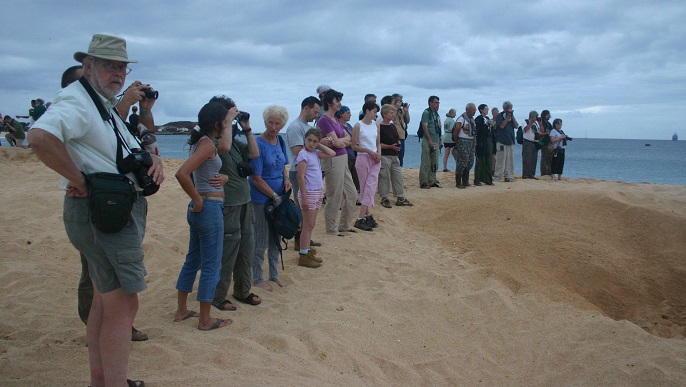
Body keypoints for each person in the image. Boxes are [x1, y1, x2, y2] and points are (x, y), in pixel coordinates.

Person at [27, 33, 163, 386]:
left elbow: (118, 146)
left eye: (121, 67)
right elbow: (39, 137)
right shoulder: (76, 100)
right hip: (103, 213)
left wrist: (151, 161)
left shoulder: (98, 101)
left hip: (108, 212)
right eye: (109, 65)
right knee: (123, 306)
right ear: (88, 66)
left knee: (105, 304)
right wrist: (81, 180)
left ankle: (101, 380)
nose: (117, 73)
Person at [59, 63, 149, 342]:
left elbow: (127, 141)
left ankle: (105, 329)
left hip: (121, 201)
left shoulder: (104, 111)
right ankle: (100, 328)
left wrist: (143, 109)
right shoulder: (78, 111)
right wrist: (80, 180)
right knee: (101, 278)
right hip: (99, 203)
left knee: (105, 280)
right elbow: (43, 138)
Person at [174, 102, 232, 331]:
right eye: (226, 121)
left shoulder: (201, 141)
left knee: (193, 260)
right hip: (208, 207)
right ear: (217, 123)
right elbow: (182, 173)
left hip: (201, 208)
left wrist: (224, 179)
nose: (228, 125)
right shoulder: (207, 145)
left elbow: (203, 172)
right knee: (211, 265)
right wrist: (198, 199)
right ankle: (205, 320)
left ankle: (181, 310)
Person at [208, 96, 262, 312]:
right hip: (227, 204)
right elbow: (223, 147)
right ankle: (218, 296)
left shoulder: (233, 141)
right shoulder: (212, 141)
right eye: (228, 115)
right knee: (227, 253)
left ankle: (242, 290)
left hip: (244, 201)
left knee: (245, 250)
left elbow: (254, 153)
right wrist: (228, 120)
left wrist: (247, 129)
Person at [250, 105, 291, 292]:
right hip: (261, 198)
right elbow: (256, 178)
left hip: (279, 196)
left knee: (276, 236)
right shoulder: (258, 144)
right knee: (260, 238)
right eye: (270, 122)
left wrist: (286, 178)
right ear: (265, 122)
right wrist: (274, 196)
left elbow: (283, 164)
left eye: (277, 123)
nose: (273, 127)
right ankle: (257, 278)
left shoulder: (280, 141)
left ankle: (274, 275)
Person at [285, 96, 327, 251]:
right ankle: (300, 243)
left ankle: (305, 240)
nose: (317, 115)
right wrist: (318, 146)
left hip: (310, 177)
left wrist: (319, 146)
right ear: (306, 108)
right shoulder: (296, 127)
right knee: (302, 210)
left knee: (308, 217)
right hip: (300, 173)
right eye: (315, 112)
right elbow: (298, 152)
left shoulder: (305, 126)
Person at [317, 89, 358, 235]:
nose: (340, 103)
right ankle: (331, 228)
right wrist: (339, 142)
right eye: (337, 100)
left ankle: (344, 225)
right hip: (332, 160)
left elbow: (349, 139)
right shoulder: (325, 120)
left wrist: (338, 142)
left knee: (352, 193)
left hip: (343, 158)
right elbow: (340, 143)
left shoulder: (335, 120)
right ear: (329, 103)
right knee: (335, 194)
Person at [295, 128, 336, 267]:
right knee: (307, 225)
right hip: (309, 192)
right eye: (309, 140)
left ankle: (306, 251)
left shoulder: (315, 153)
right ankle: (303, 255)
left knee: (311, 224)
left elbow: (332, 153)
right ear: (305, 140)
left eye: (314, 141)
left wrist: (319, 145)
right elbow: (300, 176)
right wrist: (304, 198)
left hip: (318, 191)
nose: (311, 143)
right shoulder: (303, 154)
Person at [352, 101, 382, 231]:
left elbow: (378, 143)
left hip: (375, 159)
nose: (376, 114)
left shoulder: (376, 125)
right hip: (363, 158)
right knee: (365, 188)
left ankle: (363, 216)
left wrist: (378, 154)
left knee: (371, 186)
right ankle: (363, 216)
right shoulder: (358, 125)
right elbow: (354, 145)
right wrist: (368, 151)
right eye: (374, 111)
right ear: (367, 111)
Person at [378, 104, 413, 209]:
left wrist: (397, 145)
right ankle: (384, 198)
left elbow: (396, 138)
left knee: (398, 176)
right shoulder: (379, 126)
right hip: (385, 155)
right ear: (384, 114)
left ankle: (400, 197)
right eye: (391, 113)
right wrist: (390, 146)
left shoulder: (392, 126)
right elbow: (378, 143)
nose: (393, 114)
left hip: (394, 155)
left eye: (393, 112)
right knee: (384, 176)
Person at [419, 96, 442, 189]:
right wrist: (429, 140)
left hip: (436, 140)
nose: (438, 104)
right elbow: (425, 126)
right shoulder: (426, 112)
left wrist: (440, 140)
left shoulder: (437, 114)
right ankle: (423, 182)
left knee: (434, 162)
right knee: (426, 161)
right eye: (436, 102)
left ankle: (432, 180)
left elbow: (439, 128)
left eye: (438, 103)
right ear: (430, 103)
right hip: (428, 140)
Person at [452, 103, 477, 189]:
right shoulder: (462, 119)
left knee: (470, 162)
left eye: (475, 109)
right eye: (473, 109)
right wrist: (457, 142)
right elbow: (456, 130)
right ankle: (458, 182)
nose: (475, 111)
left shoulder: (472, 120)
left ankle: (465, 181)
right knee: (462, 162)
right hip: (463, 141)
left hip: (471, 142)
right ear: (467, 110)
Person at [337, 105, 360, 195]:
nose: (350, 115)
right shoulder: (338, 126)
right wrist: (352, 143)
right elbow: (341, 143)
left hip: (352, 155)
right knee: (344, 178)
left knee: (354, 177)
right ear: (341, 114)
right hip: (344, 155)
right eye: (348, 113)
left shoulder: (349, 126)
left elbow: (355, 138)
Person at [494, 101, 518, 182]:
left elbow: (516, 126)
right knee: (500, 160)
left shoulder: (511, 117)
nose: (509, 111)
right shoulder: (500, 116)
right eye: (508, 109)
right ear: (504, 109)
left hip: (510, 141)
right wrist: (507, 117)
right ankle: (497, 176)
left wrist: (512, 116)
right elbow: (502, 126)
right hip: (501, 141)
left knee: (510, 161)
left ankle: (509, 176)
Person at [474, 104, 494, 186]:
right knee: (480, 160)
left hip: (488, 139)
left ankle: (488, 179)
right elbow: (478, 130)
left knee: (488, 160)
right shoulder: (479, 119)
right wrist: (486, 125)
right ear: (481, 110)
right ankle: (477, 179)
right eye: (486, 109)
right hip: (481, 140)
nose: (487, 110)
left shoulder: (487, 118)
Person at [391, 94, 410, 167]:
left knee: (400, 158)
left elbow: (407, 121)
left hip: (402, 136)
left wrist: (406, 111)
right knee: (395, 158)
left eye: (401, 101)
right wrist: (395, 108)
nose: (401, 103)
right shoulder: (390, 110)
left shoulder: (401, 110)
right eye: (399, 101)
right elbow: (391, 119)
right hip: (394, 137)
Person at [521, 110, 540, 180]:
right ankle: (525, 174)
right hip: (527, 142)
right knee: (527, 159)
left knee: (534, 159)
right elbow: (525, 130)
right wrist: (531, 123)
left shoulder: (536, 123)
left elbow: (538, 132)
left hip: (535, 142)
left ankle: (531, 174)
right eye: (534, 116)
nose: (535, 118)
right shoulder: (525, 122)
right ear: (531, 116)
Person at [539, 110, 553, 179]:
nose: (549, 116)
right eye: (547, 115)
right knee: (544, 158)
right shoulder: (541, 123)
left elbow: (552, 131)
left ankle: (549, 172)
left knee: (549, 158)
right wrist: (546, 133)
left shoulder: (548, 123)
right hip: (544, 142)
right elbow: (540, 132)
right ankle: (544, 173)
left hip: (548, 142)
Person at [490, 107, 499, 172]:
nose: (496, 114)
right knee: (493, 156)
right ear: (492, 113)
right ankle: (492, 170)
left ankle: (497, 170)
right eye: (495, 113)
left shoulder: (500, 122)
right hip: (492, 140)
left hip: (499, 140)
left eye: (497, 113)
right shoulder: (490, 121)